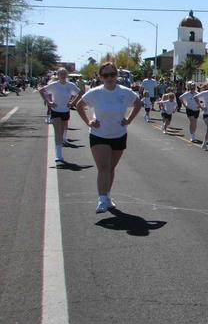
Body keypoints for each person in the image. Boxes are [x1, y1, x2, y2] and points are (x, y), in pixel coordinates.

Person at [76, 62, 142, 213]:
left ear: (117, 75)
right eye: (106, 75)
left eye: (112, 74)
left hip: (119, 134)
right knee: (103, 167)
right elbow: (79, 105)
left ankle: (107, 196)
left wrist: (129, 120)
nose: (109, 78)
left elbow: (138, 104)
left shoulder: (125, 92)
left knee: (111, 168)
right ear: (101, 77)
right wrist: (89, 121)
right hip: (99, 135)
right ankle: (102, 199)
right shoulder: (95, 92)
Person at [39, 67, 81, 162]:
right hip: (56, 110)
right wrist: (49, 102)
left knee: (61, 134)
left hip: (65, 111)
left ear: (67, 75)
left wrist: (72, 102)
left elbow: (80, 93)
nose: (62, 75)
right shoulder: (54, 85)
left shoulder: (71, 85)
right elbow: (42, 90)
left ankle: (59, 150)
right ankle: (59, 155)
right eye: (60, 74)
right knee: (57, 132)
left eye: (64, 73)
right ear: (57, 75)